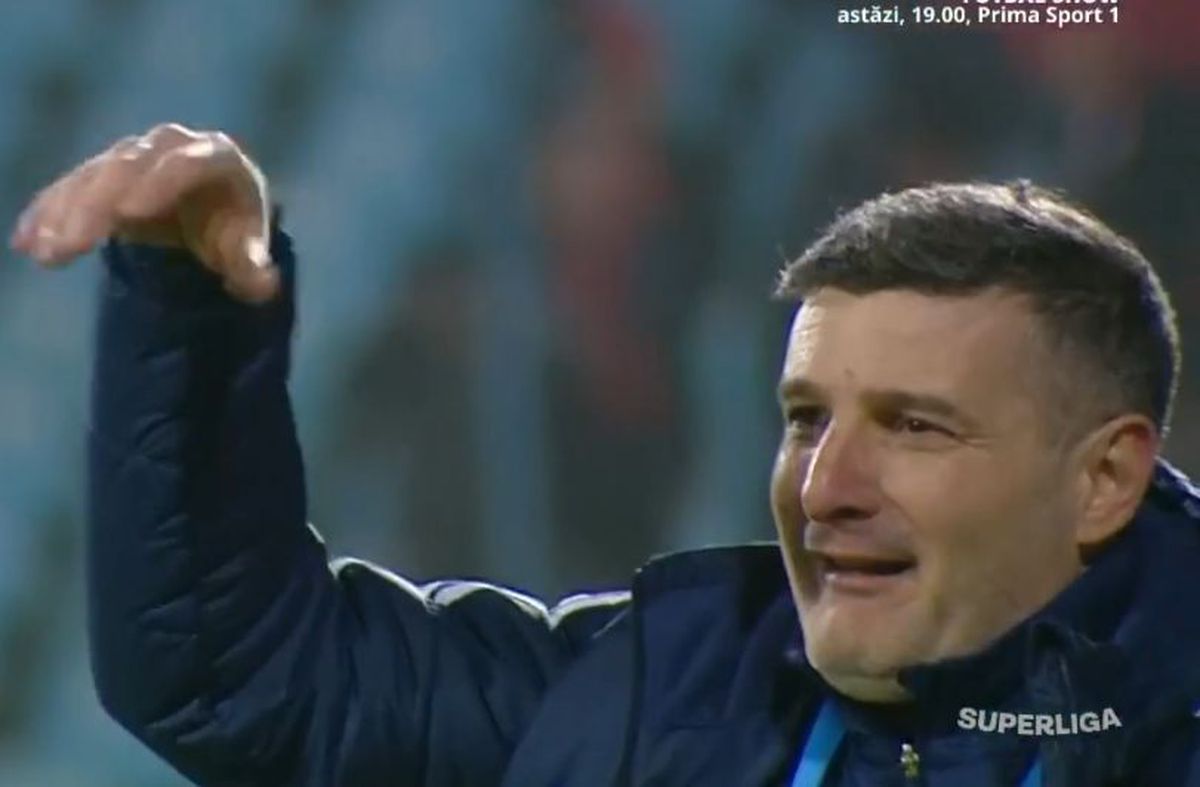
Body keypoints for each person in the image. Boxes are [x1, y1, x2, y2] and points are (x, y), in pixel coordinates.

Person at [10, 123, 1200, 786]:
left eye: (915, 425)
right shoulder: (677, 690)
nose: (823, 487)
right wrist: (185, 309)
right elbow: (235, 679)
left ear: (1103, 478)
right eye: (806, 418)